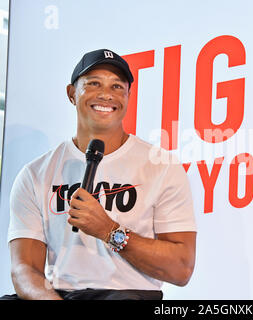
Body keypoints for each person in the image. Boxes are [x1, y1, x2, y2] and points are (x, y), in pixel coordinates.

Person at [2, 49, 197, 300]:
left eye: (117, 86)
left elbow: (181, 269)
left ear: (128, 96)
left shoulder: (161, 166)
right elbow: (24, 270)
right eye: (94, 83)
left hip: (126, 296)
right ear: (72, 94)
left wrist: (109, 231)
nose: (106, 94)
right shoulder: (35, 174)